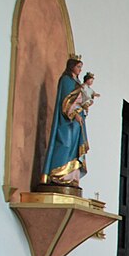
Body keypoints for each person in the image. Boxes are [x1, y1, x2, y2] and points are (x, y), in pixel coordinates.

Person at [40, 56, 89, 188]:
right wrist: (74, 114)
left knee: (74, 148)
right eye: (78, 66)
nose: (80, 70)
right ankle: (58, 174)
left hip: (77, 122)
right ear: (71, 66)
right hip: (67, 121)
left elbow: (81, 99)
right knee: (65, 144)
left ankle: (71, 176)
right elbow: (66, 101)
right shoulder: (66, 81)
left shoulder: (77, 82)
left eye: (81, 67)